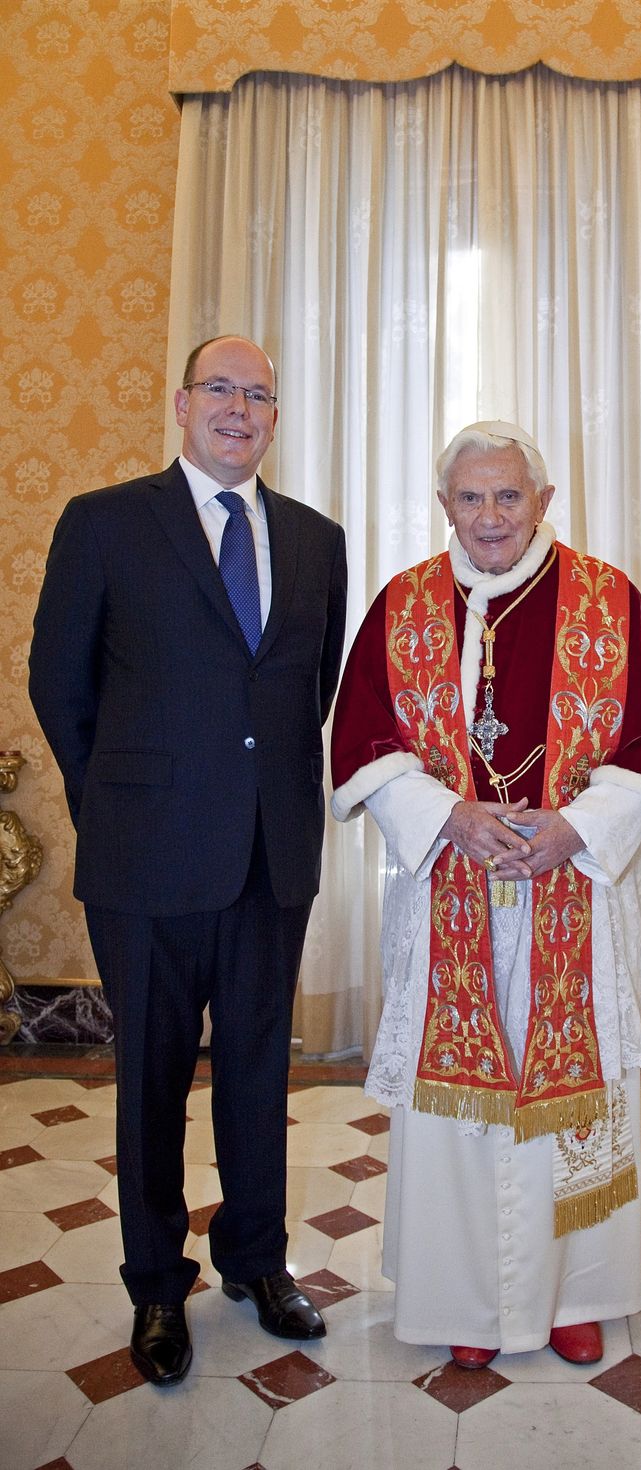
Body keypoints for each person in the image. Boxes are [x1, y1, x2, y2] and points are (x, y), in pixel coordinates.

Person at [331, 421, 641, 1367]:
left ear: (543, 502)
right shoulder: (404, 603)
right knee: (456, 1110)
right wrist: (449, 816)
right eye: (470, 497)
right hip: (447, 884)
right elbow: (366, 741)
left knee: (572, 1102)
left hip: (569, 888)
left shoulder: (606, 599)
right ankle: (467, 1305)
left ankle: (573, 1295)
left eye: (509, 497)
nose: (490, 516)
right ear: (445, 504)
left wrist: (578, 829)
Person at [29, 336, 347, 1385]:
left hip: (269, 857)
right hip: (146, 860)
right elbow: (58, 685)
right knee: (151, 1082)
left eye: (260, 394)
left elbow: (313, 695)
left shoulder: (315, 540)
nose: (240, 407)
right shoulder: (106, 523)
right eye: (222, 387)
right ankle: (157, 1288)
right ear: (180, 403)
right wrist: (115, 804)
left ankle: (258, 1262)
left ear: (272, 417)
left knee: (260, 1074)